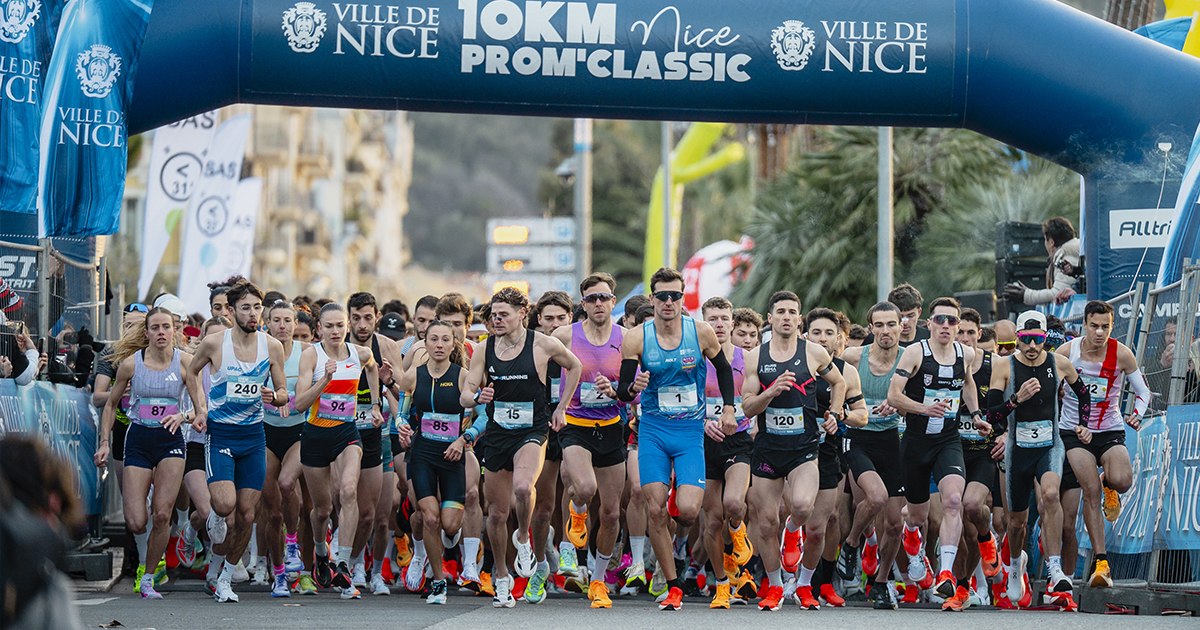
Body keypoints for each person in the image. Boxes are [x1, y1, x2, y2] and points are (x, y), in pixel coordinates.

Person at [459, 287, 582, 608]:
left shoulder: (543, 344)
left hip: (533, 428)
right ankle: (502, 576)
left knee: (524, 488)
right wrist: (476, 397)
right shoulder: (485, 349)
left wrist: (561, 408)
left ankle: (525, 538)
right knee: (497, 514)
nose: (497, 320)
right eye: (493, 315)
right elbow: (466, 393)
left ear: (522, 315)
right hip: (498, 433)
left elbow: (576, 367)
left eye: (503, 315)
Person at [186, 277, 292, 603]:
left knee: (247, 514)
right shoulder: (215, 344)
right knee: (224, 505)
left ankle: (227, 578)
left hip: (253, 437)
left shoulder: (271, 346)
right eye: (246, 308)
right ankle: (213, 519)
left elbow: (284, 393)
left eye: (257, 307)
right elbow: (191, 372)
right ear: (232, 311)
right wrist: (200, 409)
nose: (253, 314)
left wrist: (274, 396)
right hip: (220, 435)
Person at [740, 291, 845, 611]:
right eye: (780, 311)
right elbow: (747, 407)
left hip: (804, 448)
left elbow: (839, 383)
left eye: (792, 312)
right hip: (769, 448)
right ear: (770, 318)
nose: (786, 316)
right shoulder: (755, 356)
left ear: (800, 319)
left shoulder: (813, 352)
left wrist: (835, 414)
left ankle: (801, 574)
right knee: (766, 521)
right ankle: (774, 586)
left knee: (801, 506)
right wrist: (769, 393)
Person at [887, 296, 988, 608]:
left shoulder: (965, 353)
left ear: (958, 326)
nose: (946, 326)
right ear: (928, 323)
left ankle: (945, 573)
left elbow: (968, 384)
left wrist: (975, 415)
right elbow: (894, 396)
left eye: (952, 321)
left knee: (954, 501)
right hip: (916, 443)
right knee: (918, 516)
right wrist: (923, 408)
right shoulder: (916, 353)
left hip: (947, 441)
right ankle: (911, 531)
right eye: (940, 320)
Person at [94, 306, 196, 599]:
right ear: (147, 332)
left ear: (174, 330)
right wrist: (104, 442)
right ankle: (148, 557)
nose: (161, 332)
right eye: (155, 328)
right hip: (137, 440)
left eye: (166, 327)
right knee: (136, 520)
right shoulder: (129, 364)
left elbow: (201, 408)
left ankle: (149, 575)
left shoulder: (185, 362)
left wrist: (185, 417)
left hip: (171, 441)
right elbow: (110, 404)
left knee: (162, 514)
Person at [990, 310, 1088, 610]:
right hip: (1018, 449)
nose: (1032, 347)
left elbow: (1083, 394)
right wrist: (1015, 399)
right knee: (1016, 522)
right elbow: (992, 415)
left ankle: (1055, 568)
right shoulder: (1004, 366)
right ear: (1017, 338)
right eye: (1026, 340)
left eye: (1038, 340)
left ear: (1046, 338)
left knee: (1049, 495)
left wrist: (1083, 423)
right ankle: (1016, 565)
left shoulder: (1058, 363)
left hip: (1050, 444)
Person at [293, 302, 388, 599]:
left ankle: (344, 564)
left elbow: (372, 368)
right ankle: (321, 552)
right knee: (321, 510)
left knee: (348, 491)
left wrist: (375, 404)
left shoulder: (359, 353)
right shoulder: (311, 355)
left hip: (347, 434)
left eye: (340, 325)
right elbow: (299, 404)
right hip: (315, 435)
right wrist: (325, 379)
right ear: (319, 328)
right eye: (329, 326)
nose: (335, 331)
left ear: (347, 326)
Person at [1055, 300, 1150, 589]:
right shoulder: (1066, 353)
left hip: (1109, 428)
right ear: (1084, 324)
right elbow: (1051, 391)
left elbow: (1143, 391)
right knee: (1091, 492)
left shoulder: (1122, 354)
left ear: (1112, 326)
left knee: (1122, 481)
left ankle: (1109, 481)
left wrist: (1137, 415)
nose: (1099, 332)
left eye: (1105, 327)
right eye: (1094, 326)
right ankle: (1101, 563)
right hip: (1074, 431)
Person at [553, 273, 627, 608]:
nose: (599, 303)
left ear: (613, 301)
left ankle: (597, 580)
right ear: (582, 304)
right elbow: (538, 370)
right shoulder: (565, 335)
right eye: (592, 298)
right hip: (575, 425)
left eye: (604, 298)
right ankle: (578, 512)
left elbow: (634, 390)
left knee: (611, 513)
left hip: (611, 425)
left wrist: (620, 392)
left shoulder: (627, 339)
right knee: (584, 487)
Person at [796, 308, 867, 610]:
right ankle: (785, 577)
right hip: (793, 450)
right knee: (797, 512)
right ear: (805, 336)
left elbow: (863, 416)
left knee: (826, 520)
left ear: (839, 339)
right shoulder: (793, 363)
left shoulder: (846, 371)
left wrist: (841, 416)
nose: (823, 339)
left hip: (828, 450)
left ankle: (820, 583)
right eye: (816, 333)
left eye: (829, 333)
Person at [839, 301, 906, 610]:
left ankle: (880, 583)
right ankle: (852, 544)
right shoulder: (853, 357)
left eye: (890, 324)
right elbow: (828, 382)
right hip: (858, 439)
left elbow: (924, 398)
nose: (885, 331)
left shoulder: (910, 358)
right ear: (870, 329)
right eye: (878, 325)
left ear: (900, 326)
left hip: (892, 441)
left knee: (894, 524)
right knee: (875, 497)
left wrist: (900, 403)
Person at [398, 320, 471, 604]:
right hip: (423, 454)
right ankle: (438, 581)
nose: (439, 345)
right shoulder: (413, 376)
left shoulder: (463, 376)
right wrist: (402, 425)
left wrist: (463, 439)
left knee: (450, 525)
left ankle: (451, 537)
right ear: (425, 344)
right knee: (429, 517)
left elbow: (482, 415)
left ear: (454, 345)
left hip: (453, 454)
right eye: (434, 339)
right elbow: (403, 413)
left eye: (445, 340)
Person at [690, 297, 753, 609]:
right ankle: (722, 584)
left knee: (734, 504)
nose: (718, 324)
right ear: (703, 322)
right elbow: (682, 401)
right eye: (711, 319)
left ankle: (738, 530)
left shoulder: (748, 358)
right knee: (711, 522)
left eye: (723, 318)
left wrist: (751, 421)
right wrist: (703, 423)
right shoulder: (694, 360)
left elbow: (757, 398)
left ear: (732, 322)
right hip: (703, 443)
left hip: (738, 440)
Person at [345, 292, 404, 596]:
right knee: (349, 507)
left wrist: (390, 385)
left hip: (379, 434)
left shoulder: (388, 346)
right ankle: (351, 563)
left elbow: (403, 391)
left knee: (381, 516)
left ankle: (375, 569)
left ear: (377, 317)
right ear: (348, 319)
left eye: (368, 317)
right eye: (356, 318)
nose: (362, 324)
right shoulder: (337, 346)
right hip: (343, 436)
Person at [526, 291, 574, 603]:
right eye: (548, 319)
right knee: (542, 509)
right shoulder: (529, 349)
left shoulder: (579, 351)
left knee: (577, 484)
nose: (554, 325)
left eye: (561, 318)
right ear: (538, 320)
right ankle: (541, 562)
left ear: (571, 319)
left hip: (573, 429)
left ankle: (570, 551)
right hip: (538, 430)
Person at [260, 300, 310, 597]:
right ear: (267, 323)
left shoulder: (307, 353)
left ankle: (292, 542)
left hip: (298, 431)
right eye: (275, 320)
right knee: (272, 513)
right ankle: (278, 575)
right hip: (265, 433)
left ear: (295, 323)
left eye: (287, 320)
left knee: (288, 483)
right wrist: (261, 394)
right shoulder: (257, 351)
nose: (281, 325)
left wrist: (290, 399)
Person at [1004, 217, 1082, 306]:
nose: (1045, 244)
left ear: (1052, 242)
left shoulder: (1067, 255)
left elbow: (1057, 294)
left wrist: (1026, 295)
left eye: (1045, 239)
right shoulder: (1072, 253)